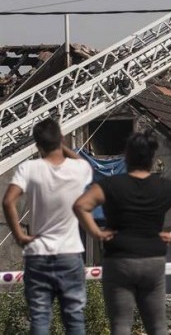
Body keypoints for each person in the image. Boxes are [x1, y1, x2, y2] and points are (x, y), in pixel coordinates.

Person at [73, 130, 171, 335]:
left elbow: (81, 206)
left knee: (120, 325)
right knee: (157, 326)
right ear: (152, 158)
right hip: (153, 260)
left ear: (127, 156)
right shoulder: (165, 187)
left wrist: (96, 232)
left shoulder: (110, 185)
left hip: (119, 260)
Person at [2, 118, 93, 335]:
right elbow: (81, 161)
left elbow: (8, 201)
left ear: (37, 145)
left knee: (40, 316)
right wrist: (62, 146)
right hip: (70, 253)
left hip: (38, 253)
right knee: (74, 317)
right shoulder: (79, 170)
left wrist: (19, 236)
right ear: (60, 139)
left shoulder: (29, 168)